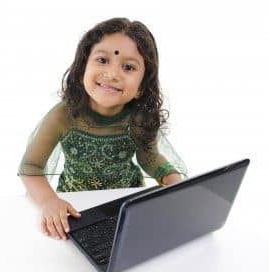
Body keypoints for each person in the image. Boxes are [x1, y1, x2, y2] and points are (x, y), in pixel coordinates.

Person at [18, 17, 187, 241]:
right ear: (81, 69)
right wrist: (50, 201)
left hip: (126, 203)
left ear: (141, 87)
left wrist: (175, 183)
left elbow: (150, 158)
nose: (113, 73)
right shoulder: (63, 115)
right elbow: (31, 166)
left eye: (128, 67)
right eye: (102, 59)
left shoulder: (139, 117)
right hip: (77, 208)